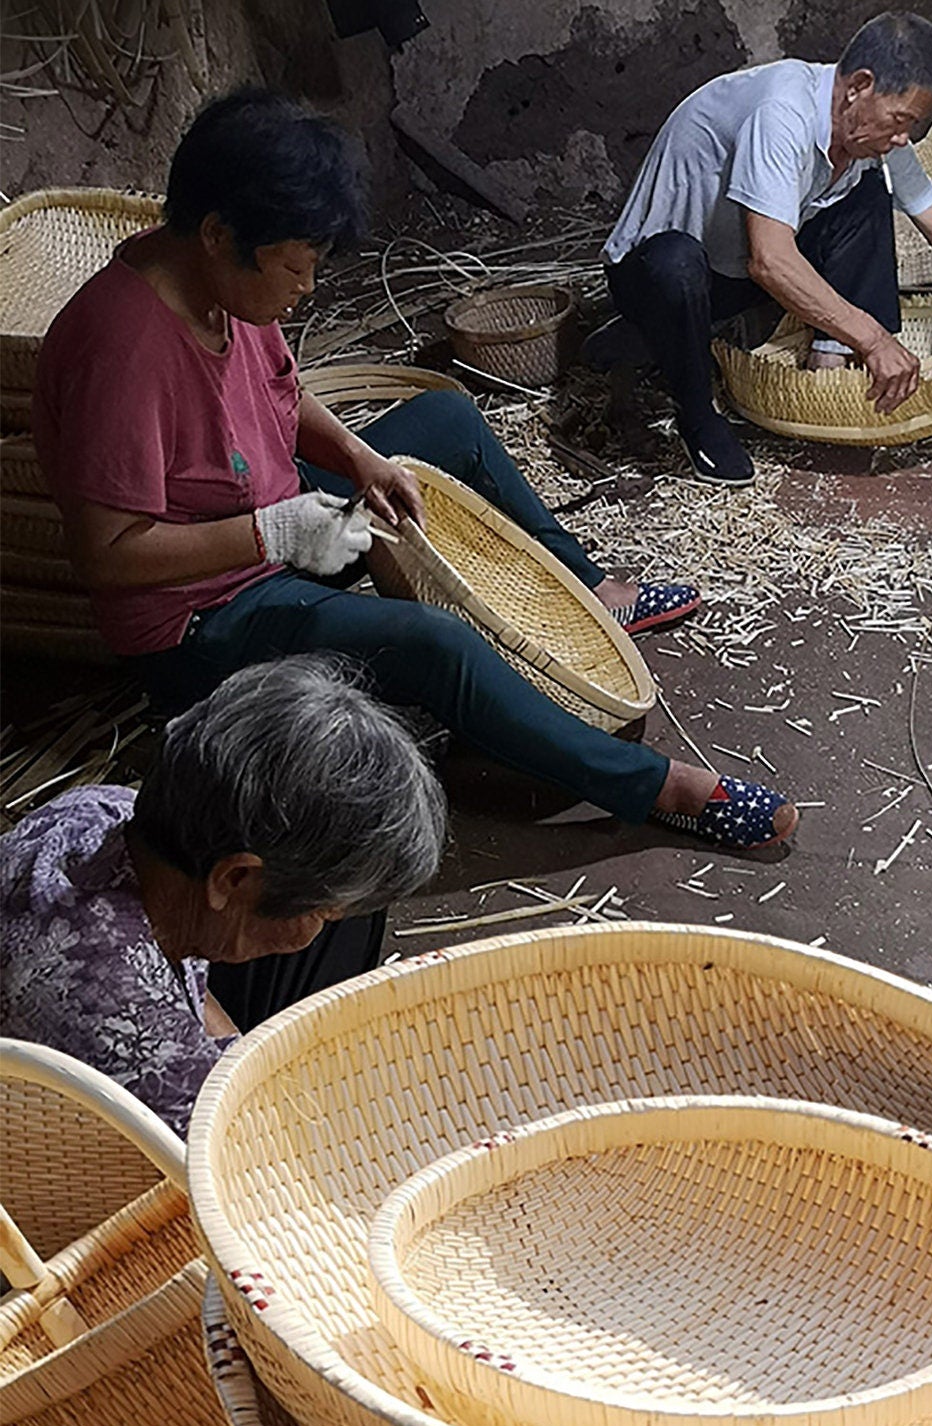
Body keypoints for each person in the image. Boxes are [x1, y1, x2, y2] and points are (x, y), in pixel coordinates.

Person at [32, 88, 796, 853]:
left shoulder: (224, 288)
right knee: (433, 643)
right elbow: (111, 553)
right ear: (216, 233)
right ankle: (653, 786)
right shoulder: (121, 350)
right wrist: (273, 533)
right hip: (203, 618)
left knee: (449, 421)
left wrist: (362, 461)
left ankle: (592, 590)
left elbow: (284, 397)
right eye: (295, 270)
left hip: (285, 525)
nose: (304, 293)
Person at [0, 658, 447, 1137]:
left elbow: (184, 978)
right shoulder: (145, 1049)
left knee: (352, 907)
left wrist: (231, 1048)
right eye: (322, 910)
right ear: (233, 879)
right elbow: (254, 1166)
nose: (327, 918)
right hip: (80, 1156)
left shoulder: (103, 809)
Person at [594, 12, 932, 486]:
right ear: (859, 86)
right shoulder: (782, 112)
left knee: (868, 190)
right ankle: (697, 414)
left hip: (734, 272)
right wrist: (873, 339)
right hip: (660, 274)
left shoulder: (873, 133)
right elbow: (769, 260)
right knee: (677, 264)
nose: (904, 136)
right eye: (901, 119)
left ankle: (827, 364)